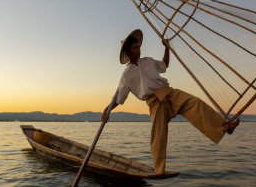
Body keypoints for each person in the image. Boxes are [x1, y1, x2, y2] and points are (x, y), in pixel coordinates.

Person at [101, 29, 240, 175]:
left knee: (196, 103)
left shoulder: (148, 61)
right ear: (128, 52)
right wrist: (107, 109)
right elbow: (119, 98)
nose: (139, 50)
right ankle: (159, 170)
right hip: (155, 103)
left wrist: (167, 48)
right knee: (158, 135)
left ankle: (224, 127)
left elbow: (164, 65)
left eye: (139, 47)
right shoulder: (127, 75)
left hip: (169, 93)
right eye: (135, 48)